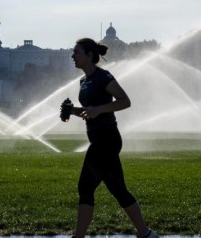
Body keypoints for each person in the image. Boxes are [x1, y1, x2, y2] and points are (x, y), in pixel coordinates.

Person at [62, 38, 158, 238]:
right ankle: (146, 234)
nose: (73, 56)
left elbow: (125, 101)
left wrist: (99, 109)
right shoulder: (84, 81)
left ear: (89, 56)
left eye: (76, 52)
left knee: (85, 186)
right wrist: (73, 111)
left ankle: (78, 236)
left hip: (107, 139)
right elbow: (91, 112)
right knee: (118, 189)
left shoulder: (103, 76)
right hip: (99, 139)